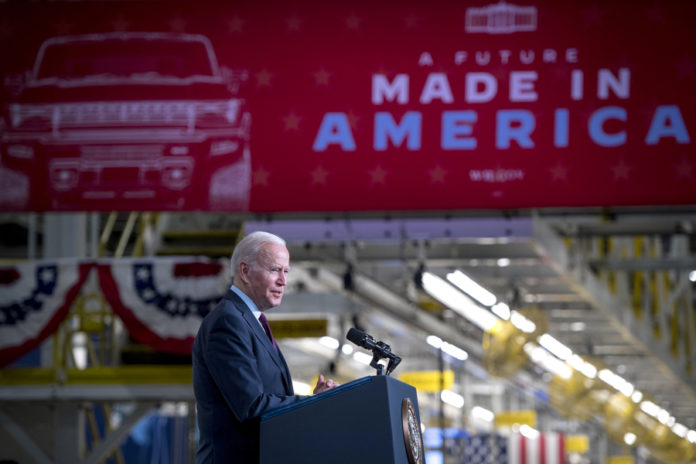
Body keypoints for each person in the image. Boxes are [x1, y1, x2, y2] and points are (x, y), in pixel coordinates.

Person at [192, 230, 338, 463]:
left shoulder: (249, 321)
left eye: (286, 271)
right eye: (274, 270)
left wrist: (312, 402)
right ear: (245, 271)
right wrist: (313, 402)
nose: (283, 280)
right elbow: (252, 406)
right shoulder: (228, 321)